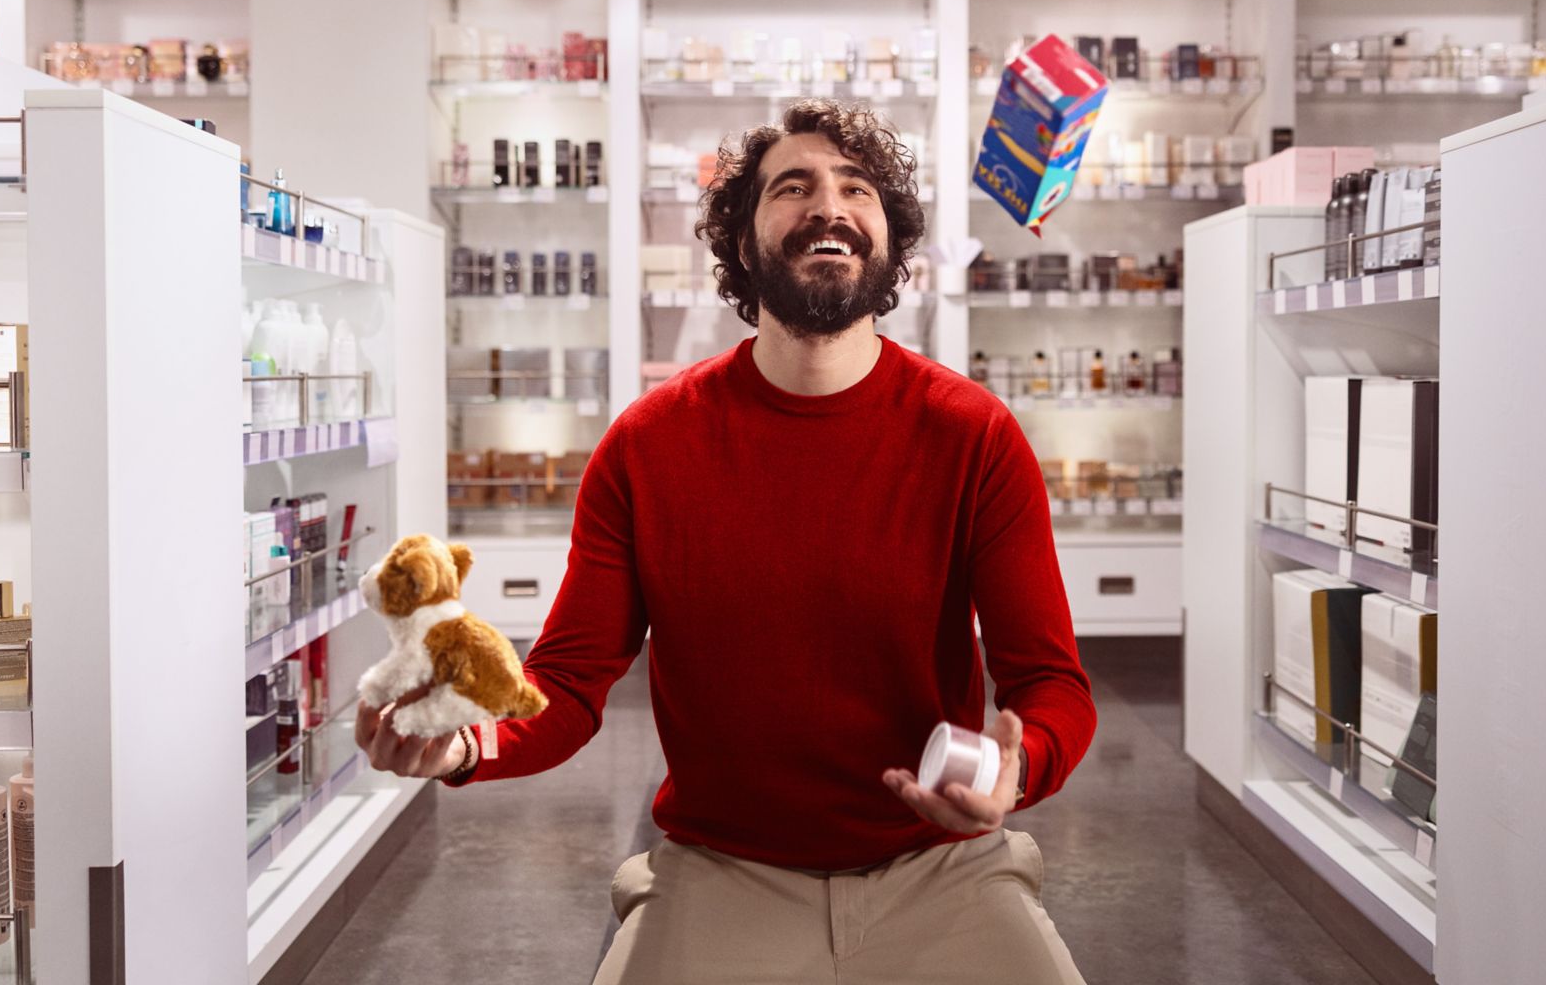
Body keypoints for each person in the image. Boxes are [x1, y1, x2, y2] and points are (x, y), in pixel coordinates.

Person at [358, 98, 1097, 984]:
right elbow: (567, 682)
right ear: (743, 243)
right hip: (719, 868)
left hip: (940, 861)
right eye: (794, 187)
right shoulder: (649, 445)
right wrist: (471, 745)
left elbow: (1050, 683)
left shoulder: (973, 434)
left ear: (888, 240)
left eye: (856, 188)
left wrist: (1022, 770)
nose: (829, 205)